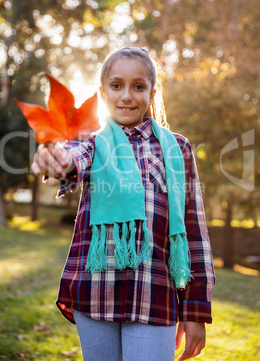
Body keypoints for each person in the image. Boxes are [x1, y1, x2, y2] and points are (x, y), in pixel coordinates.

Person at [31, 47, 215, 361]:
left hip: (153, 290)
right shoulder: (90, 142)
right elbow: (73, 160)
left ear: (152, 93)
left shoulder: (177, 148)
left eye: (138, 86)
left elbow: (194, 232)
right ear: (102, 93)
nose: (127, 96)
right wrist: (58, 160)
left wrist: (196, 309)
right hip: (95, 289)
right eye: (117, 86)